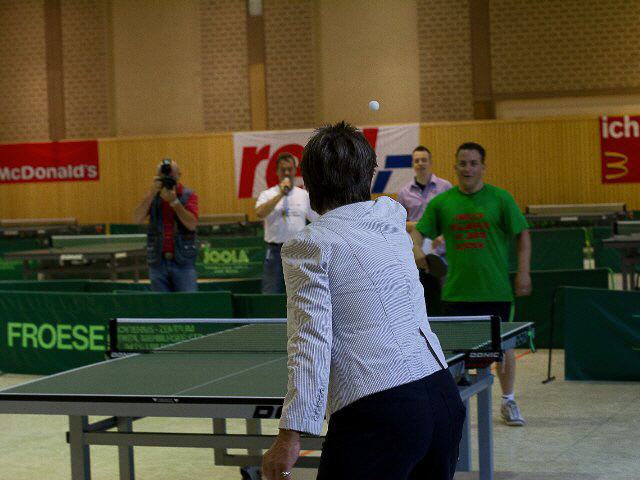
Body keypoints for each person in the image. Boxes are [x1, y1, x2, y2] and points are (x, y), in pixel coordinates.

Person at [262, 122, 465, 480]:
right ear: (369, 175)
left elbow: (310, 341)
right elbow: (380, 208)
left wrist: (290, 435)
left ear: (309, 184)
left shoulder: (308, 245)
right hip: (443, 399)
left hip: (380, 412)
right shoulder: (391, 216)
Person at [410, 142, 532, 426]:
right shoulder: (442, 203)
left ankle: (508, 400)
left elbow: (523, 235)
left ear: (483, 167)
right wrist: (415, 251)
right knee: (454, 356)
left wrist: (524, 272)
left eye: (473, 163)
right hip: (456, 293)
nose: (468, 169)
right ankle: (453, 407)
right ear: (455, 167)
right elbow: (417, 234)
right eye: (463, 164)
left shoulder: (501, 199)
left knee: (504, 348)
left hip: (495, 291)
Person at [397, 145, 452, 315]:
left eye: (424, 160)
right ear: (413, 164)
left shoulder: (445, 187)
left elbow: (451, 219)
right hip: (417, 253)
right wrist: (417, 226)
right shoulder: (404, 192)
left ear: (430, 162)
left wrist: (442, 236)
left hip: (442, 251)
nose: (420, 163)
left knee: (445, 298)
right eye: (417, 160)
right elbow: (399, 223)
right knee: (423, 298)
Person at [255, 152, 318, 294]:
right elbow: (259, 213)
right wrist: (281, 194)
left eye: (290, 169)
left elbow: (317, 219)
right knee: (271, 293)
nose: (287, 173)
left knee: (301, 293)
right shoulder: (267, 194)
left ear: (295, 171)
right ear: (277, 172)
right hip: (275, 252)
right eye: (283, 169)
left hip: (298, 250)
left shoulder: (303, 195)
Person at [133, 159, 198, 292]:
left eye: (171, 175)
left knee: (189, 302)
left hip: (183, 261)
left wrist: (175, 202)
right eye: (163, 175)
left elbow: (191, 224)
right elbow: (136, 219)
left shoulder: (188, 195)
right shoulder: (152, 196)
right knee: (161, 304)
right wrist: (151, 193)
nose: (168, 178)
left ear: (179, 175)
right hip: (157, 261)